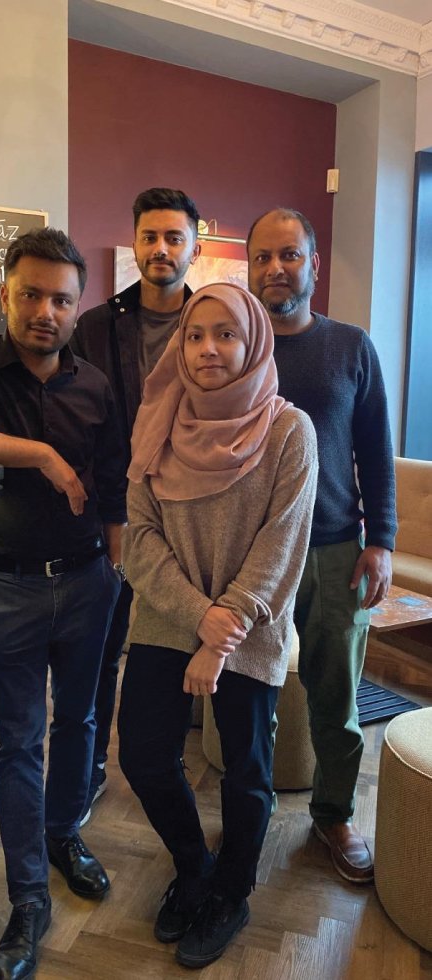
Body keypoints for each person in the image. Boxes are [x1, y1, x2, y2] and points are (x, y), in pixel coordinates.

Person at [0, 228, 127, 980]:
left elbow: (112, 483)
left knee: (79, 722)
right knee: (17, 742)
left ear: (78, 307)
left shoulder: (97, 385)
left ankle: (66, 834)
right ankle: (28, 896)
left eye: (62, 299)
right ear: (5, 292)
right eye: (31, 294)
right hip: (9, 584)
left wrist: (117, 567)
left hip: (89, 581)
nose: (46, 311)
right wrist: (38, 454)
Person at [118, 283, 318, 968]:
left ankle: (231, 893)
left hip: (250, 630)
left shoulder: (290, 430)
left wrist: (224, 626)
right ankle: (194, 866)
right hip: (167, 620)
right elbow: (139, 540)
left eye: (226, 334)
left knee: (246, 772)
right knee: (144, 756)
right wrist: (200, 618)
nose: (208, 348)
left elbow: (282, 544)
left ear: (253, 340)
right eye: (196, 334)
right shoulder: (158, 419)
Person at [247, 207, 397, 885]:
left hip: (337, 549)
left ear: (313, 263)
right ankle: (246, 814)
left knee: (336, 694)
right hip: (251, 553)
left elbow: (375, 449)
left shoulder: (352, 347)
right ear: (249, 269)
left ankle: (334, 815)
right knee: (246, 692)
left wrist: (383, 540)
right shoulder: (234, 345)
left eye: (289, 255)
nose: (276, 268)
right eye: (263, 258)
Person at [71, 187, 201, 820]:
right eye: (150, 236)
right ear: (135, 243)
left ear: (194, 247)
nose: (161, 249)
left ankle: (168, 755)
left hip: (194, 513)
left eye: (174, 237)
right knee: (102, 643)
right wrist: (107, 512)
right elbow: (77, 422)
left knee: (180, 637)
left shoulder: (216, 322)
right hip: (115, 513)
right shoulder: (96, 325)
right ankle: (91, 763)